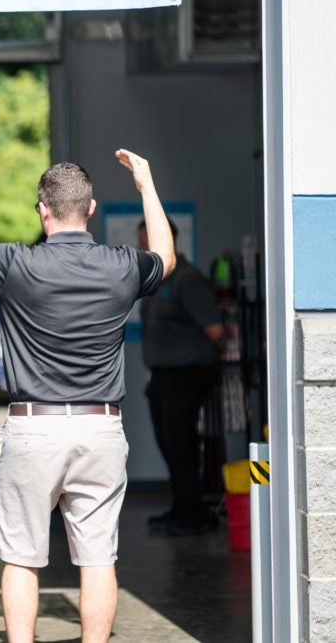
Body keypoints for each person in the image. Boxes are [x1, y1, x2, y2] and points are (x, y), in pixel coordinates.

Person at [0, 143, 175, 642]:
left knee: (21, 557)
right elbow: (166, 258)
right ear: (92, 209)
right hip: (101, 428)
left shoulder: (15, 264)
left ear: (42, 212)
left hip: (33, 428)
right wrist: (147, 185)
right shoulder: (121, 266)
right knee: (99, 556)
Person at [138, 218, 225, 535]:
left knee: (181, 445)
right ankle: (182, 508)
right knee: (169, 445)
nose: (139, 248)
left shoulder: (187, 279)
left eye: (144, 240)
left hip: (186, 376)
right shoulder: (155, 282)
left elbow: (215, 331)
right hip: (163, 377)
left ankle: (193, 516)